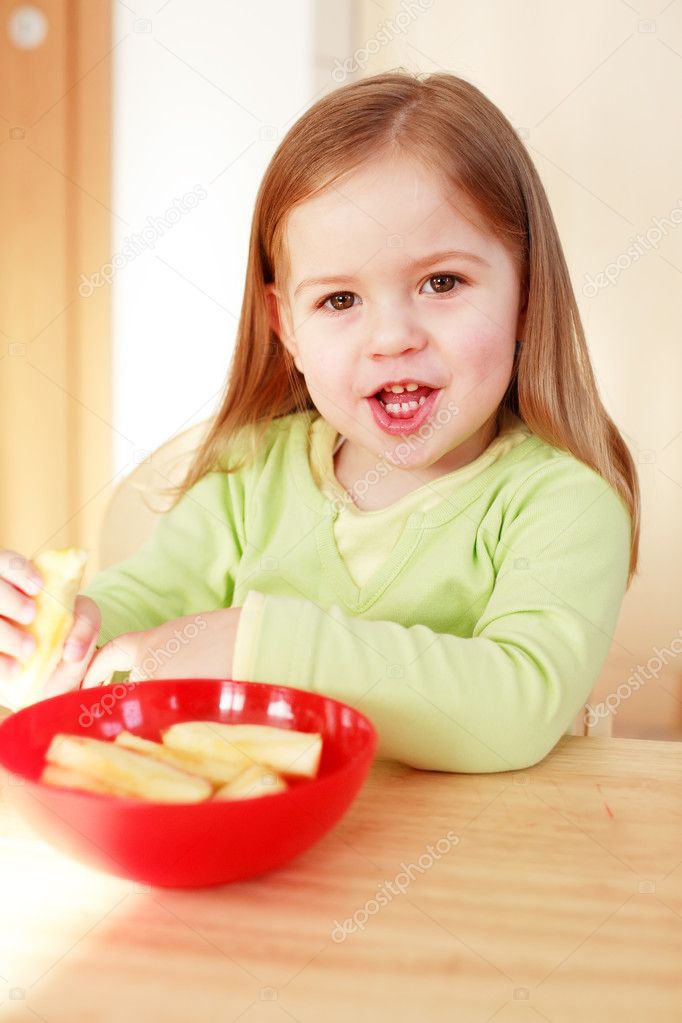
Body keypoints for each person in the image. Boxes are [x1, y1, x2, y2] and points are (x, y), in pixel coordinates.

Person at [0, 69, 640, 772]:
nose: (392, 336)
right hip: (277, 869)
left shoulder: (566, 505)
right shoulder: (248, 474)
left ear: (525, 294)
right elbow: (148, 603)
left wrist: (256, 644)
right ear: (287, 329)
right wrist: (55, 635)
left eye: (441, 283)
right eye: (340, 300)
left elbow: (514, 706)